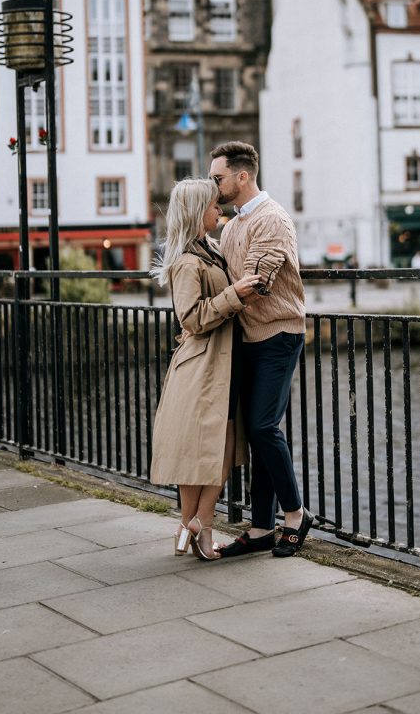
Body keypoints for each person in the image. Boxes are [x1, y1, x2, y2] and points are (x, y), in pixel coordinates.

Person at [209, 141, 313, 558]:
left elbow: (256, 283)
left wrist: (208, 313)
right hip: (247, 338)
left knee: (263, 428)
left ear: (242, 176)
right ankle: (260, 528)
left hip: (278, 334)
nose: (213, 185)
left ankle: (295, 515)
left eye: (218, 178)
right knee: (257, 431)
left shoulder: (273, 219)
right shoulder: (232, 226)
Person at [150, 178, 261, 560]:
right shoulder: (186, 262)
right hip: (203, 369)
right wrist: (235, 295)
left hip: (220, 364)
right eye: (215, 206)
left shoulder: (209, 251)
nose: (221, 210)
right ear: (198, 212)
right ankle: (197, 525)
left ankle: (194, 526)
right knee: (202, 451)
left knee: (219, 449)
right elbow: (192, 318)